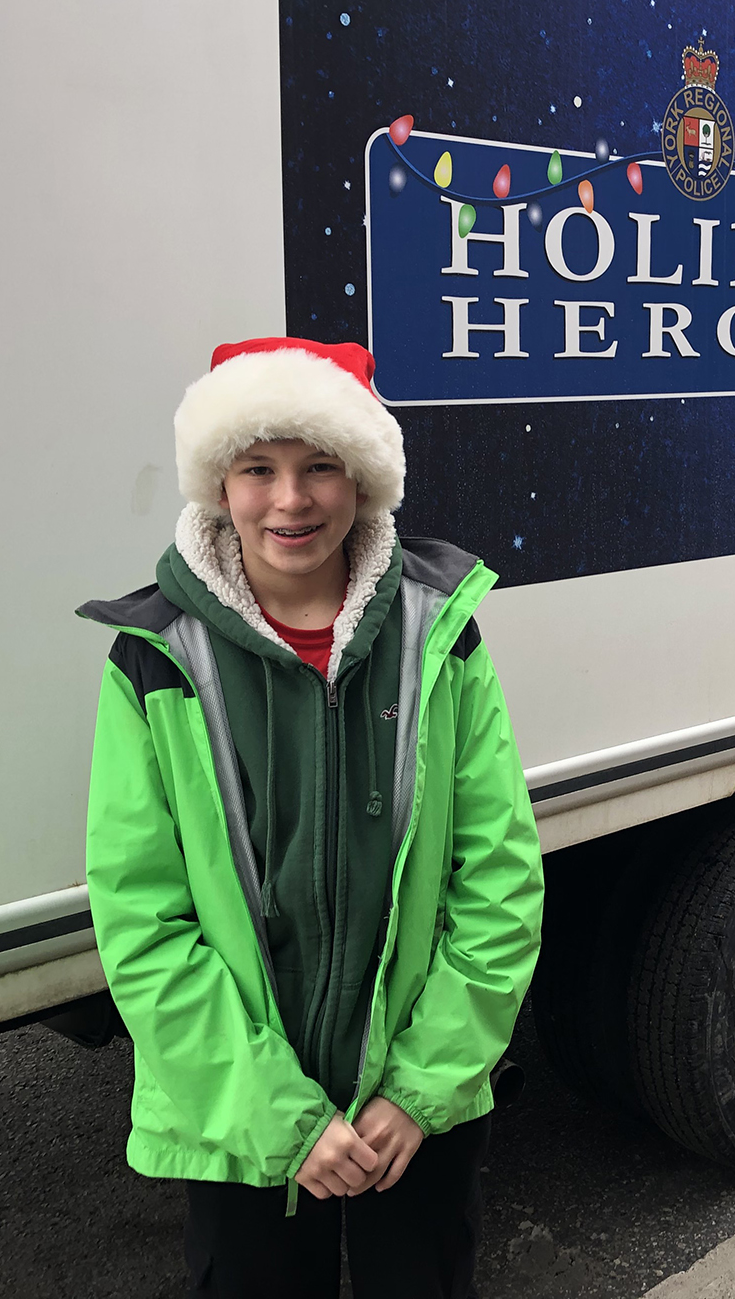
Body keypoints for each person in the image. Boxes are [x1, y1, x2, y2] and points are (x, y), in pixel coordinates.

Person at [78, 336, 544, 1298]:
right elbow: (141, 919)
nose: (290, 501)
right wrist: (280, 1119)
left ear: (364, 479)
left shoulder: (441, 636)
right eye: (258, 468)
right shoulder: (154, 661)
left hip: (411, 1110)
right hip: (240, 1117)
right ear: (219, 482)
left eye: (321, 465)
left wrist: (421, 1087)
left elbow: (497, 875)